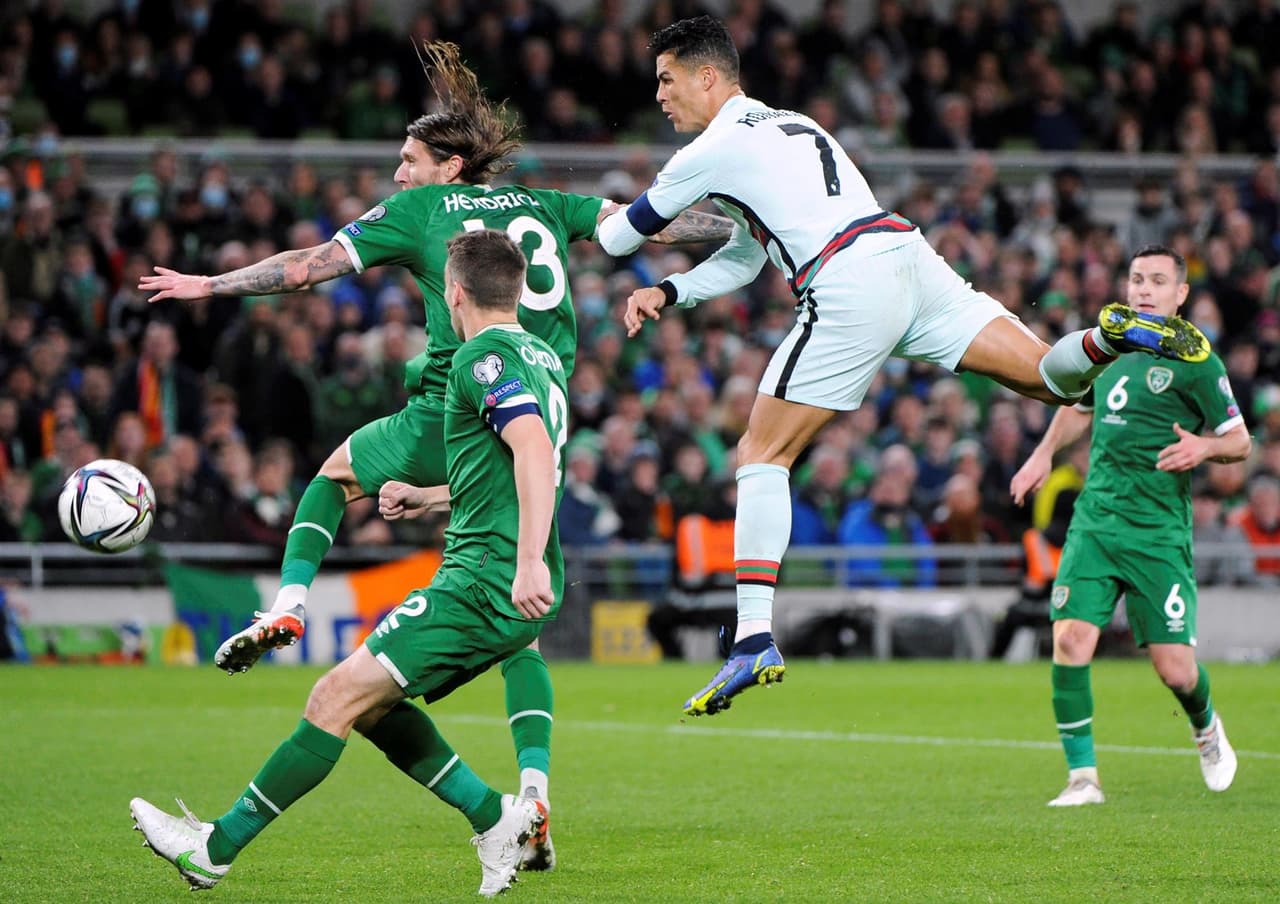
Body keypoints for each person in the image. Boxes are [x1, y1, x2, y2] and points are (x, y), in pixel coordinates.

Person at [140, 41, 731, 866]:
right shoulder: (549, 204)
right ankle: (519, 806)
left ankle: (287, 613)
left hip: (465, 403)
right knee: (493, 645)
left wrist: (211, 285)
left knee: (336, 480)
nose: (398, 174)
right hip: (537, 405)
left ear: (449, 167)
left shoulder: (424, 217)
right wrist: (741, 224)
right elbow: (652, 225)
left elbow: (308, 269)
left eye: (408, 160)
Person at [596, 16, 1213, 716]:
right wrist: (671, 290)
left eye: (667, 79)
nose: (659, 96)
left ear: (708, 76)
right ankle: (1108, 336)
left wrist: (597, 214)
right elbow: (746, 252)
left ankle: (753, 638)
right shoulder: (792, 125)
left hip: (847, 281)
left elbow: (618, 239)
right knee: (1049, 378)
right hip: (907, 259)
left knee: (761, 453)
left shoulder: (711, 149)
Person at [130, 229, 568, 898]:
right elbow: (517, 461)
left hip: (484, 580)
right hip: (506, 575)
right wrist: (432, 495)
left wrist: (526, 560)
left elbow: (532, 449)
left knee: (332, 697)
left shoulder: (478, 358)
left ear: (453, 292)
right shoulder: (541, 354)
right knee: (367, 706)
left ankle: (212, 850)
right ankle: (496, 818)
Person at [1009, 245, 1251, 807]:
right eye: (1137, 278)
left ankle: (1206, 728)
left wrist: (1204, 448)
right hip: (1096, 521)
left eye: (1158, 280)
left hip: (1157, 531)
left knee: (1175, 670)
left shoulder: (1198, 361)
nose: (1144, 288)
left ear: (1180, 293)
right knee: (1070, 639)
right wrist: (1043, 453)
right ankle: (1082, 779)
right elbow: (1078, 406)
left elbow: (1240, 442)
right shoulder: (1111, 346)